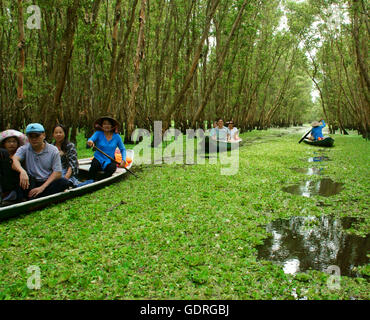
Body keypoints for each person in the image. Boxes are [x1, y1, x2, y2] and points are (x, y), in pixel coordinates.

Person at [12, 123, 70, 199]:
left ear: (43, 135)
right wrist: (22, 171)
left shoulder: (53, 150)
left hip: (47, 182)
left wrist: (42, 187)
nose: (34, 139)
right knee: (17, 175)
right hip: (31, 182)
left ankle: (35, 197)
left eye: (37, 136)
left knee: (63, 182)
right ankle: (33, 197)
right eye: (31, 136)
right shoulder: (24, 149)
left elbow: (57, 173)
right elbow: (14, 160)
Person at [87, 116, 126, 181]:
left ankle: (102, 180)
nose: (106, 126)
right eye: (104, 124)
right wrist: (90, 142)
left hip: (110, 159)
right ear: (102, 125)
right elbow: (90, 140)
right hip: (98, 158)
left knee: (112, 168)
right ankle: (90, 180)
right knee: (94, 166)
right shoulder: (98, 133)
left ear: (112, 126)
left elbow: (123, 149)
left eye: (108, 124)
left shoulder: (117, 137)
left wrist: (123, 160)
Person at [0, 130, 28, 204]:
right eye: (9, 142)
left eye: (14, 141)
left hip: (18, 183)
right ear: (4, 143)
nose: (12, 144)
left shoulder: (21, 154)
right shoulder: (2, 154)